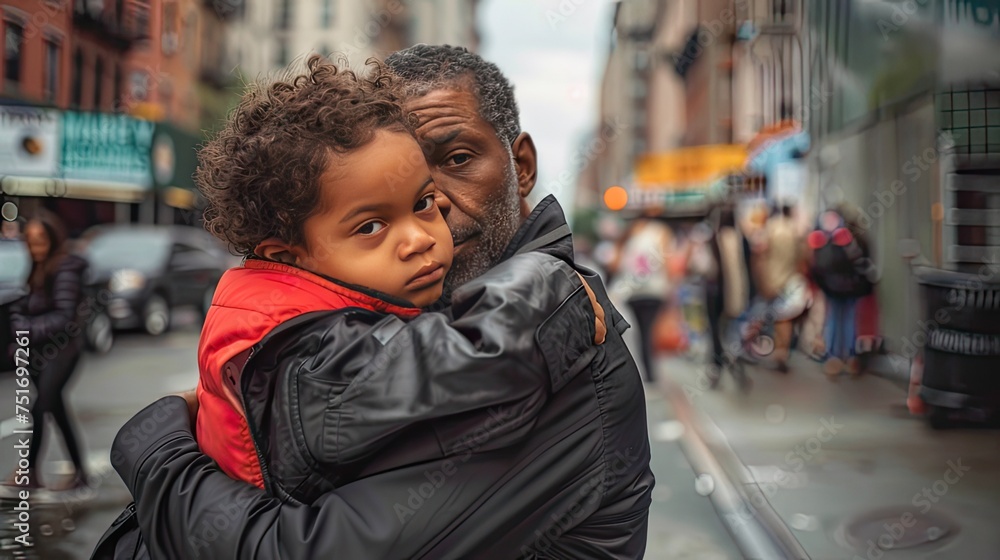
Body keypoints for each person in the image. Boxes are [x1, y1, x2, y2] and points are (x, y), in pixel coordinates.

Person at [105, 45, 653, 559]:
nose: (432, 215)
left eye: (456, 159)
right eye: (369, 216)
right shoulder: (354, 331)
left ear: (522, 166)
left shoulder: (564, 359)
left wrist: (158, 454)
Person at [191, 55, 604, 501]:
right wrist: (546, 293)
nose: (420, 239)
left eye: (422, 202)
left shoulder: (307, 306)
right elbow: (441, 368)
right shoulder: (287, 338)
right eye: (370, 227)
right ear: (290, 256)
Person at [5, 210, 89, 489]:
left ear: (53, 239)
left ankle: (30, 473)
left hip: (62, 351)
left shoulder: (65, 268)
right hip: (41, 353)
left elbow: (64, 317)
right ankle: (80, 473)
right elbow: (25, 307)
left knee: (40, 406)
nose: (35, 246)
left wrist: (26, 329)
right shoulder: (37, 268)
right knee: (55, 407)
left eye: (40, 240)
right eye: (29, 241)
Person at [608, 211, 675, 382]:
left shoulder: (631, 233)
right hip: (655, 290)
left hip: (633, 292)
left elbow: (616, 263)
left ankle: (646, 372)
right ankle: (650, 373)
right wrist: (669, 287)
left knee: (641, 333)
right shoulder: (661, 231)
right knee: (648, 331)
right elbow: (667, 261)